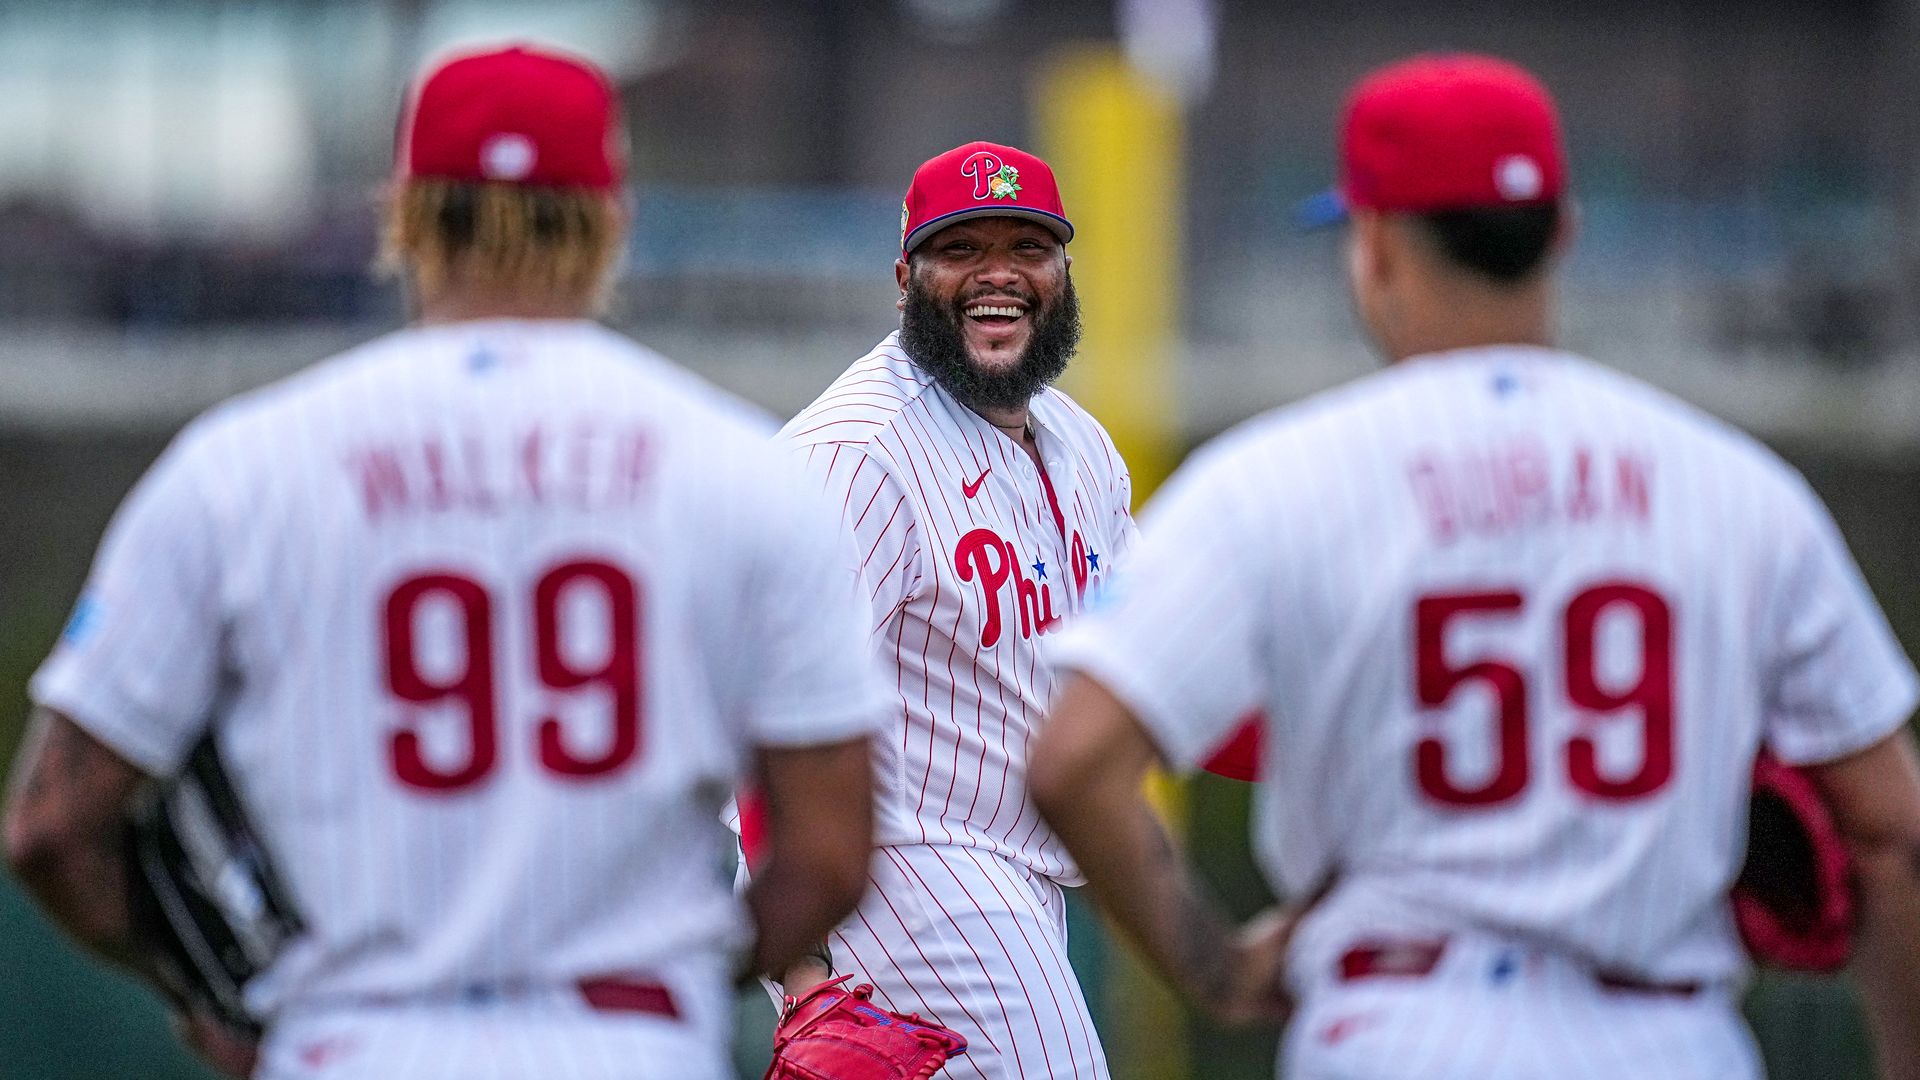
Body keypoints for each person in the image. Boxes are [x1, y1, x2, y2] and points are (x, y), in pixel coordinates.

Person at [3, 43, 886, 1080]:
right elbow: (828, 855)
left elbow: (51, 827)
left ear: (404, 213)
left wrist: (224, 1002)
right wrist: (700, 971)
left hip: (354, 1037)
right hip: (627, 1040)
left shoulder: (241, 465)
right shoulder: (742, 466)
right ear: (613, 216)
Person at [1031, 53, 1920, 1080]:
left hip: (1404, 1029)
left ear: (1373, 244)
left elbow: (1073, 760)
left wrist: (1219, 971)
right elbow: (1890, 828)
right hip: (1670, 1037)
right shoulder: (1740, 489)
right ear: (1562, 234)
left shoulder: (1280, 478)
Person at [754, 141, 1130, 1079]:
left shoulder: (1082, 446)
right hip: (904, 876)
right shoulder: (859, 453)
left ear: (1063, 272)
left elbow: (1158, 670)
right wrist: (802, 977)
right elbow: (764, 701)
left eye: (1027, 246)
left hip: (1018, 882)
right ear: (906, 278)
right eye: (961, 248)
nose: (997, 274)